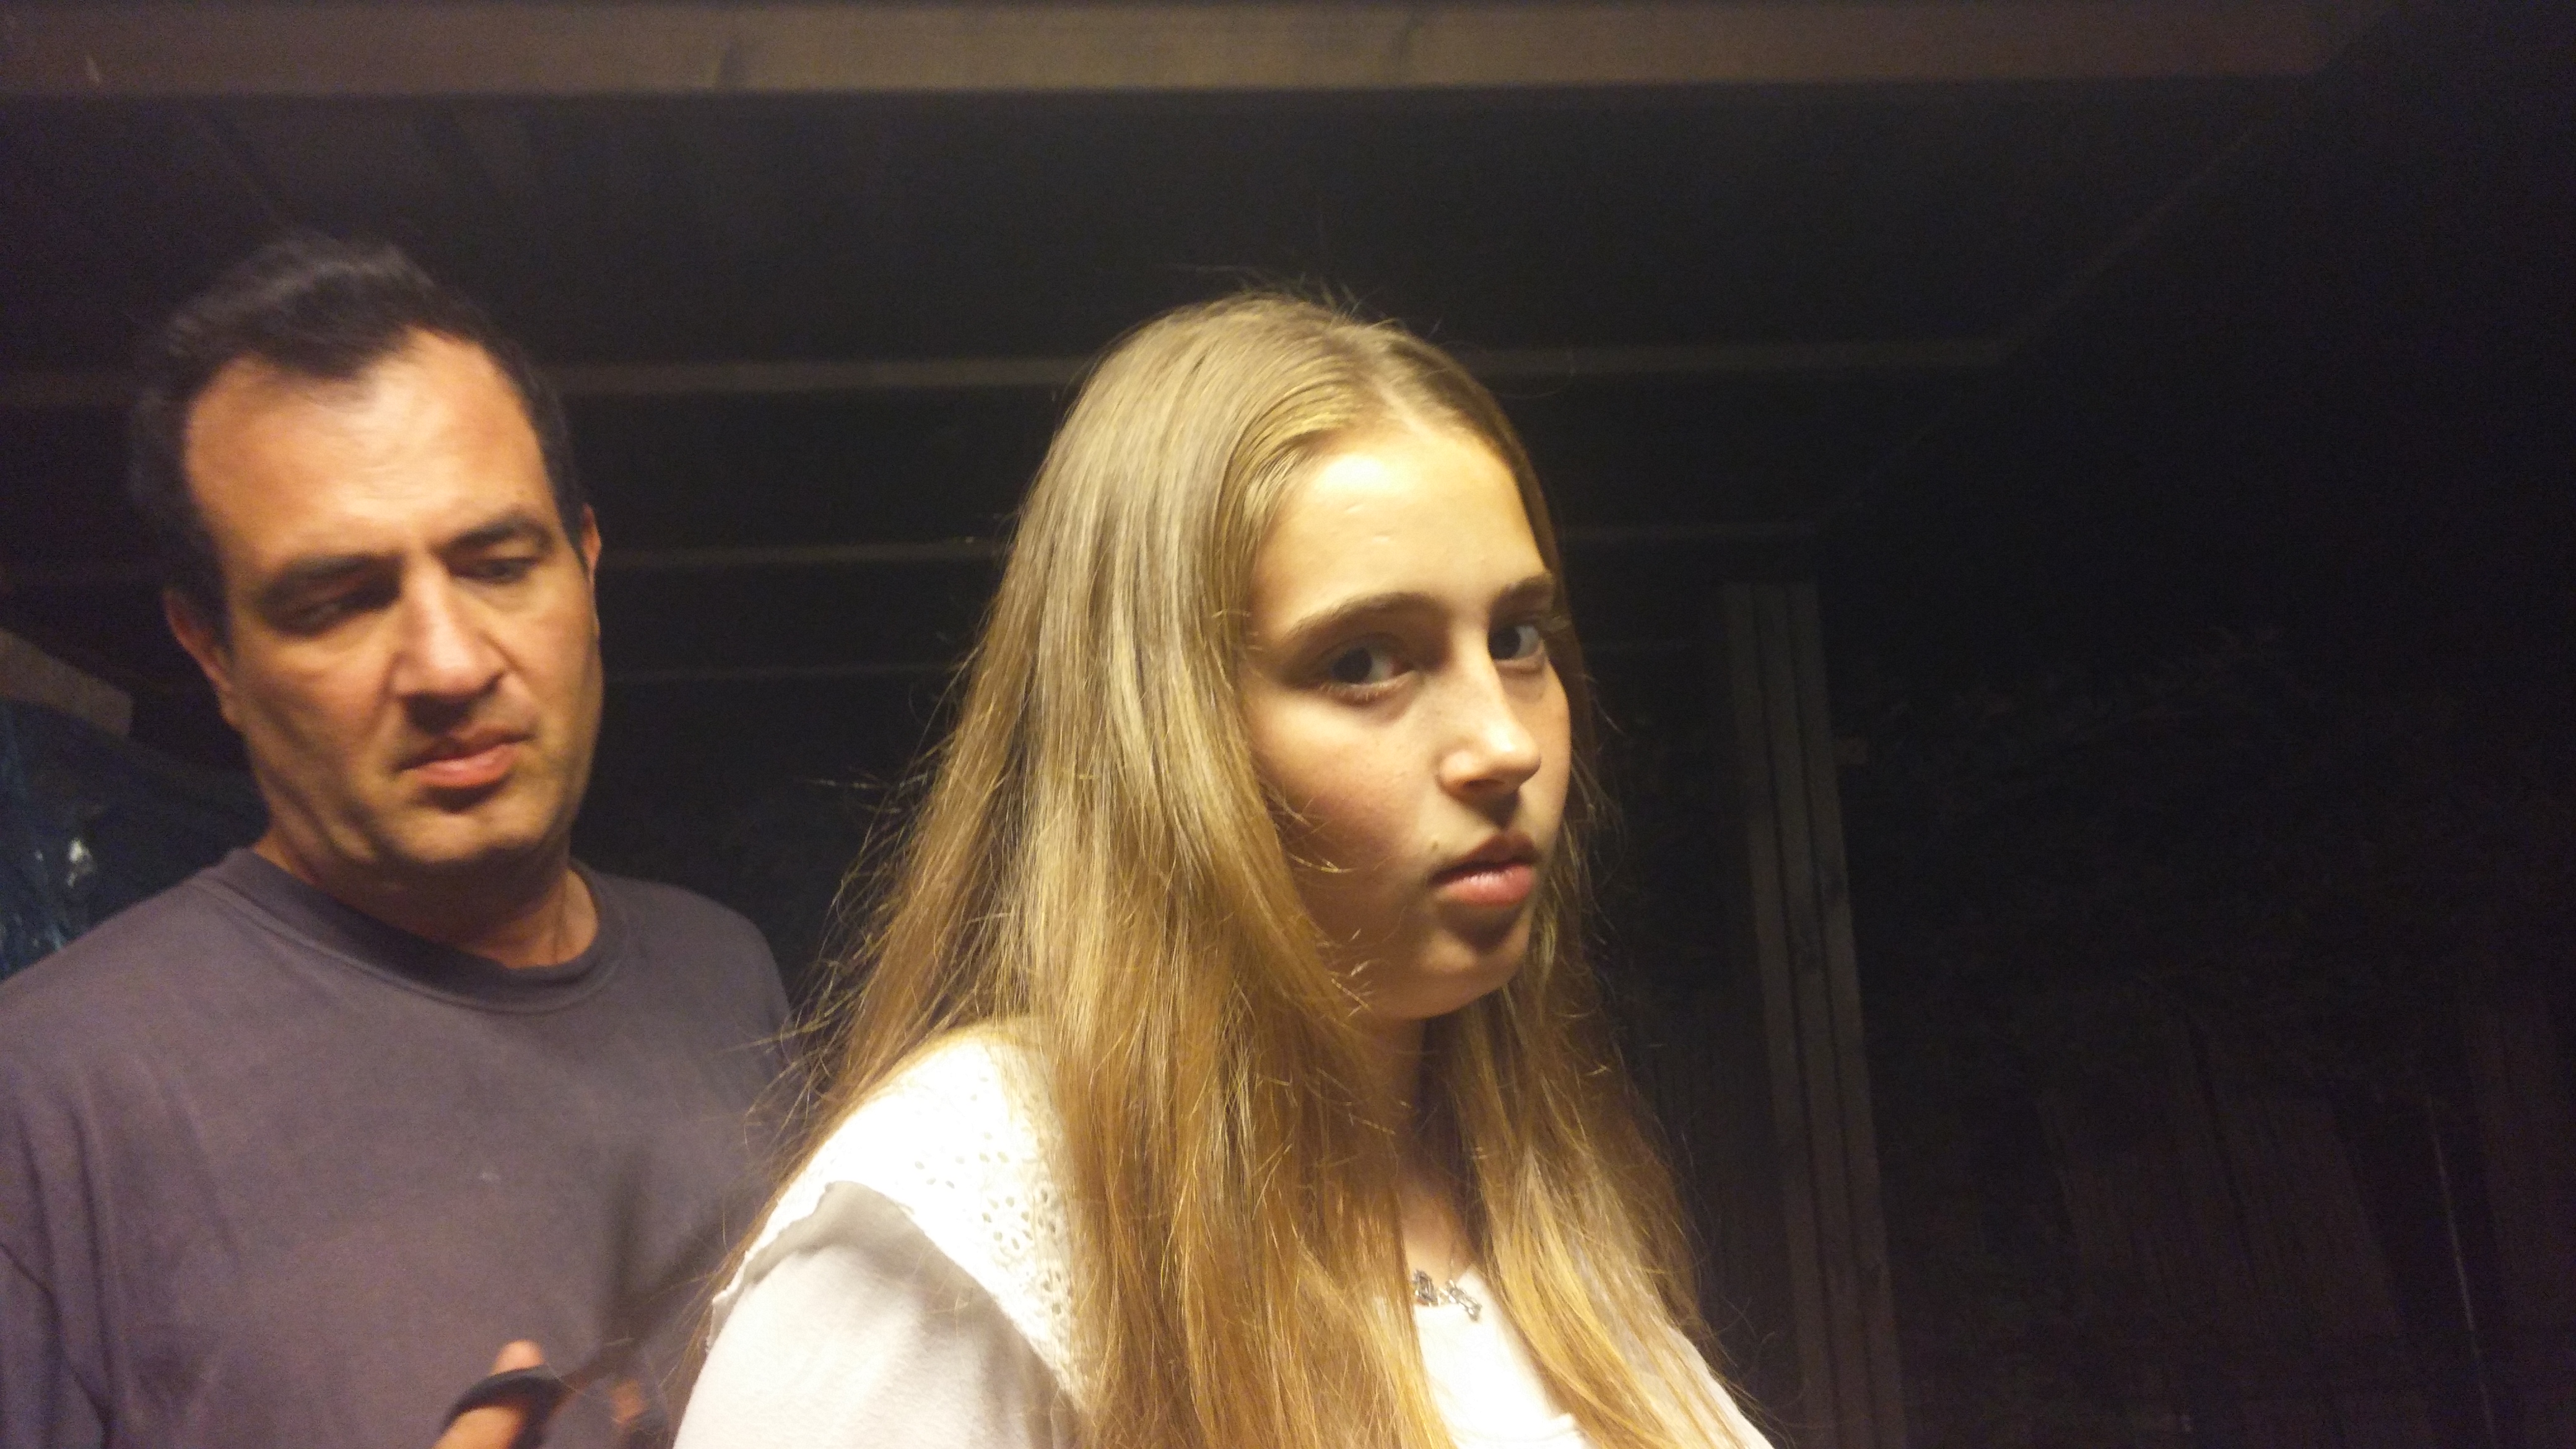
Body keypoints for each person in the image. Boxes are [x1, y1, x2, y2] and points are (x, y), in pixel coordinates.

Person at [672, 295, 1773, 1449]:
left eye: (1516, 638)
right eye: (1365, 661)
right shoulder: (974, 1208)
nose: (1506, 744)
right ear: (1160, 739)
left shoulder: (1532, 1186)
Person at [0, 237, 793, 1449]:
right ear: (212, 651)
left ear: (585, 567)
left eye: (499, 566)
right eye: (337, 602)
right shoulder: (48, 1103)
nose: (449, 664)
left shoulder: (724, 969)